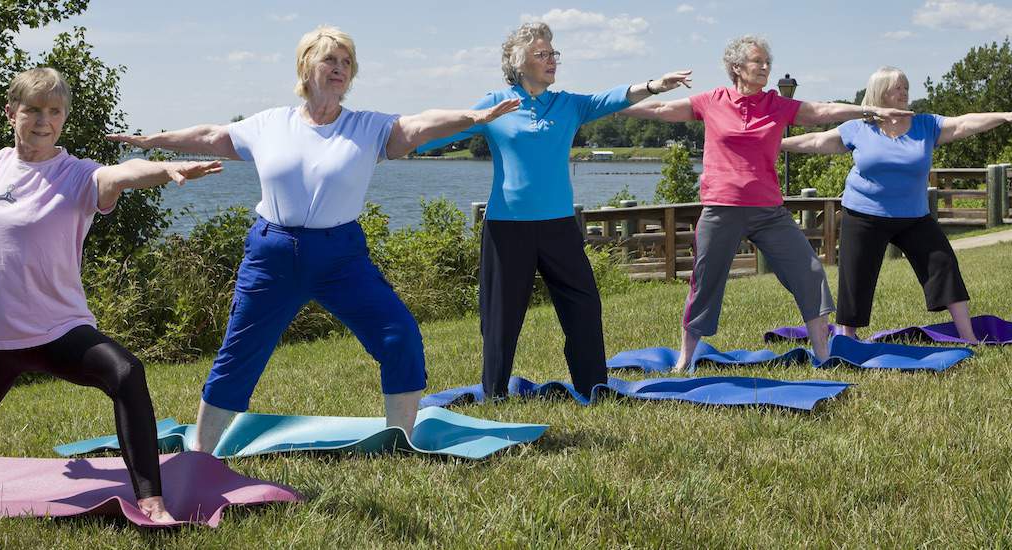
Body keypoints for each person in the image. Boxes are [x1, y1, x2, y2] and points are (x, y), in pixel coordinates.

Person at [106, 26, 518, 454]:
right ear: (306, 67)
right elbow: (211, 136)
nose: (339, 69)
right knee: (240, 352)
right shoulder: (270, 124)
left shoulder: (367, 127)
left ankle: (401, 441)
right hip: (273, 255)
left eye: (346, 62)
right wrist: (153, 141)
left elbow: (417, 125)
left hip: (341, 257)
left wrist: (473, 118)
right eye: (330, 60)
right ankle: (201, 456)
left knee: (400, 336)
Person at [0, 68, 225, 522]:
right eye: (32, 110)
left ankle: (150, 500)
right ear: (11, 113)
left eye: (54, 111)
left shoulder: (77, 175)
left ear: (64, 118)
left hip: (58, 329)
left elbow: (122, 174)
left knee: (127, 373)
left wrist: (165, 168)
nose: (43, 120)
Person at [414, 22, 692, 400]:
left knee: (584, 305)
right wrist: (402, 137)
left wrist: (654, 85)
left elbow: (610, 98)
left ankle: (593, 387)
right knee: (501, 317)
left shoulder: (568, 105)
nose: (551, 60)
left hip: (559, 226)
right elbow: (441, 134)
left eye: (552, 53)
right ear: (519, 62)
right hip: (507, 228)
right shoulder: (496, 102)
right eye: (541, 54)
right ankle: (494, 393)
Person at [621, 35, 913, 371]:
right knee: (705, 283)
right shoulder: (712, 100)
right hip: (722, 208)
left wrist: (867, 110)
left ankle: (823, 354)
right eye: (757, 62)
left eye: (766, 62)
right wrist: (605, 104)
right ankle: (685, 358)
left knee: (810, 271)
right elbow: (658, 109)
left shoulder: (776, 105)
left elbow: (820, 110)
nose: (764, 67)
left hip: (768, 211)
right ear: (736, 68)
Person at [781, 66, 1012, 341]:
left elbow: (964, 123)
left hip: (914, 217)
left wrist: (1004, 116)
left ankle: (969, 336)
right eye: (897, 88)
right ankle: (848, 338)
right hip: (863, 214)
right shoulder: (859, 127)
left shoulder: (925, 125)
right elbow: (817, 139)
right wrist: (776, 143)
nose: (904, 92)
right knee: (855, 278)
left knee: (944, 265)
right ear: (880, 92)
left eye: (906, 87)